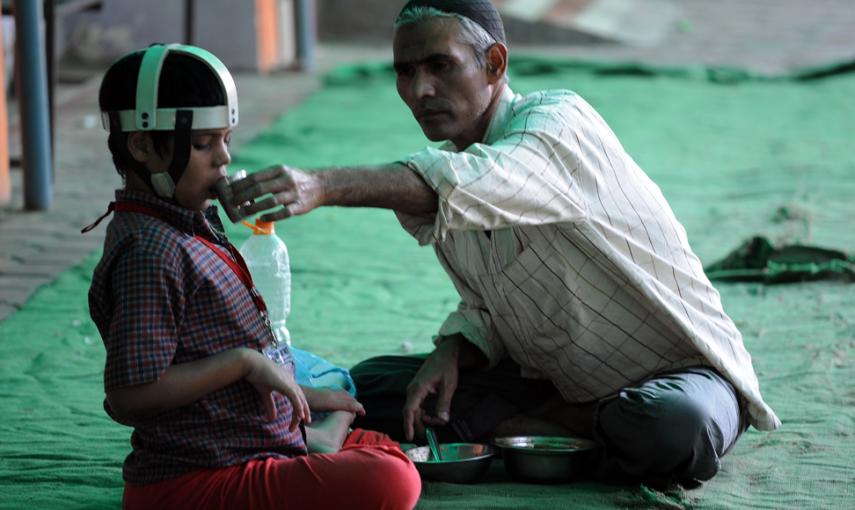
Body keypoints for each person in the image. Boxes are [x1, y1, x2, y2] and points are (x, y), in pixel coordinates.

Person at [230, 0, 781, 487]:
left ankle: (544, 428)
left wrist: (323, 186)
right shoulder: (454, 170)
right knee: (370, 387)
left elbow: (473, 183)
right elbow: (490, 304)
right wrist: (453, 350)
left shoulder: (558, 123)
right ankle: (551, 430)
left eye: (440, 66)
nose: (420, 91)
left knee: (674, 427)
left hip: (676, 382)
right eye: (406, 71)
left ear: (494, 64)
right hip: (549, 382)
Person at [85, 43, 420, 510]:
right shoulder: (150, 250)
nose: (223, 159)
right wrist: (246, 362)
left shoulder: (186, 220)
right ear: (143, 146)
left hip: (244, 440)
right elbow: (129, 396)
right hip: (192, 482)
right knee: (391, 479)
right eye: (203, 144)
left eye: (225, 139)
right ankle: (312, 440)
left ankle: (310, 435)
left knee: (346, 400)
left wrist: (296, 390)